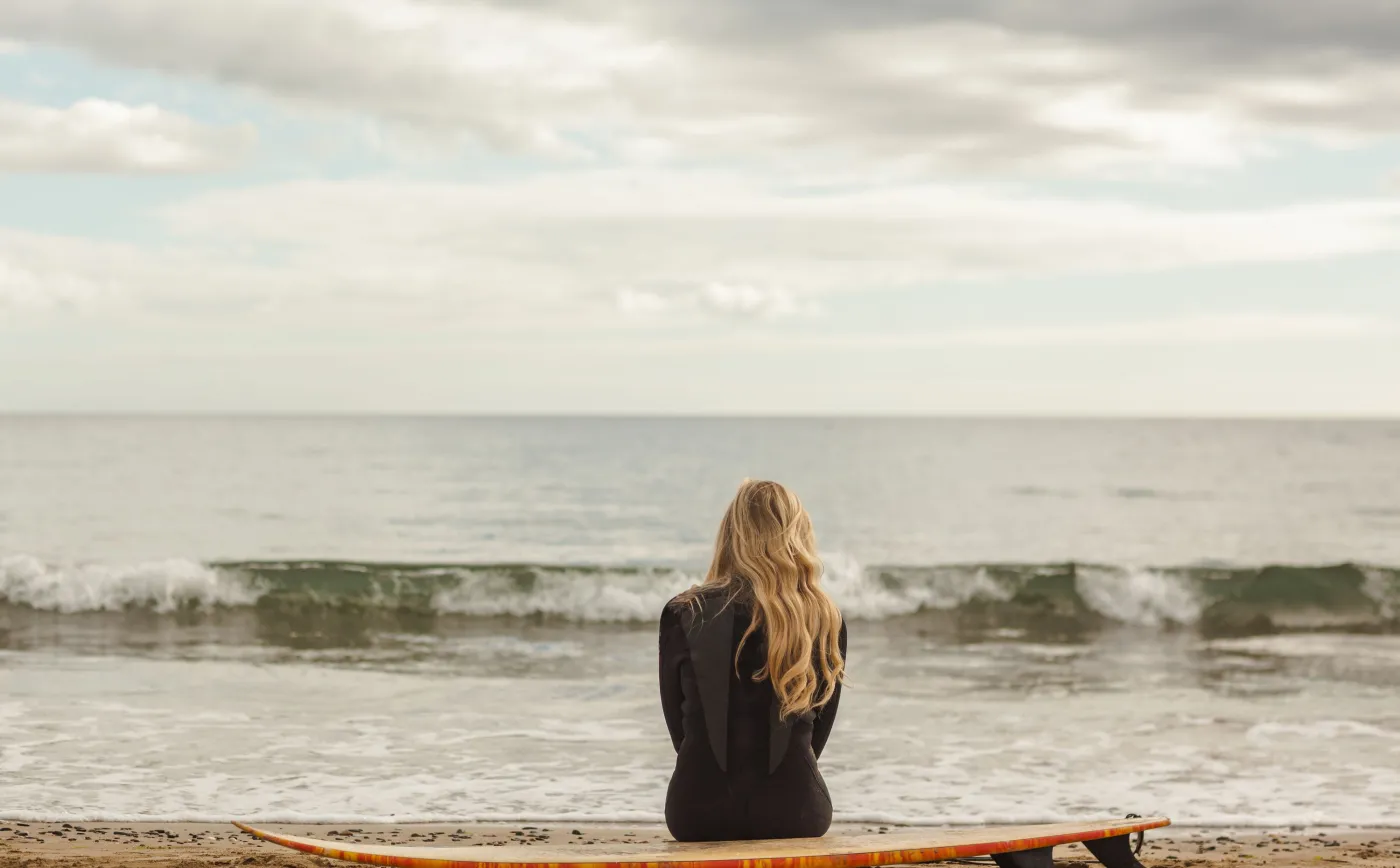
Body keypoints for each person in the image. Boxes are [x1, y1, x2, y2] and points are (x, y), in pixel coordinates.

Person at [658, 479, 848, 842]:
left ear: (730, 535)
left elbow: (681, 732)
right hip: (797, 812)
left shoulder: (683, 612)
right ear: (798, 535)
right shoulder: (823, 617)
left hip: (696, 813)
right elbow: (815, 738)